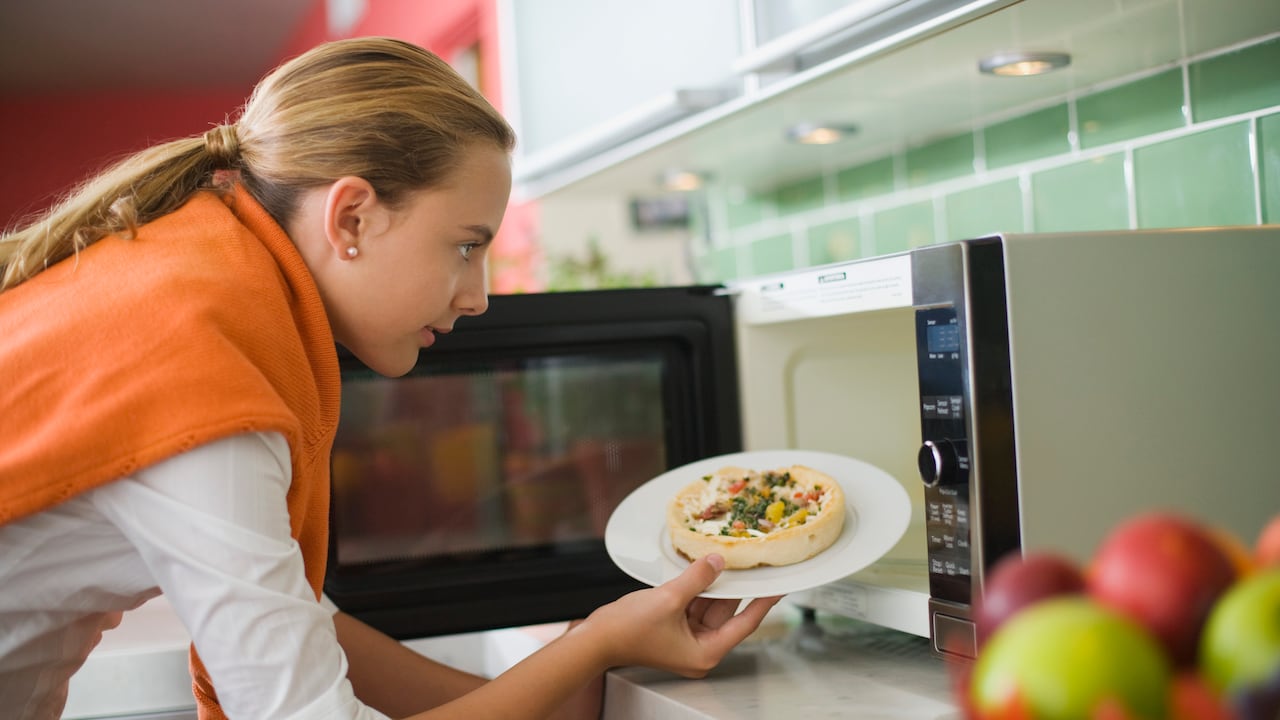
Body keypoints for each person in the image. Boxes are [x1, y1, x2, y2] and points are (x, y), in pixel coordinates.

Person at [0, 37, 781, 720]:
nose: (477, 296)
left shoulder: (203, 283)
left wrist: (579, 665)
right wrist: (597, 644)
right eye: (466, 246)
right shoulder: (202, 375)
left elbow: (306, 624)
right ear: (352, 219)